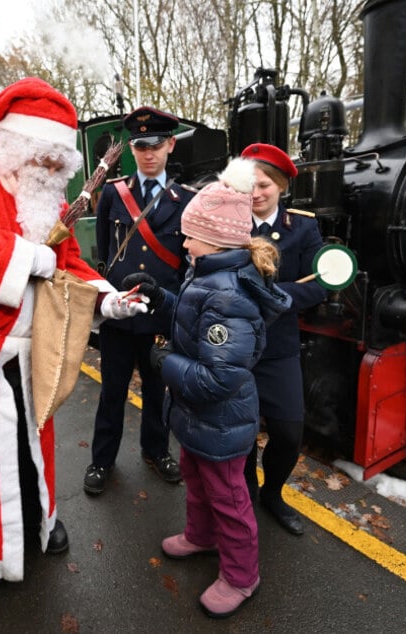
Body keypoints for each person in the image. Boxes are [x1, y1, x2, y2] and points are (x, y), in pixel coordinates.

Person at [0, 78, 148, 607]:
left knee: (30, 448)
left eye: (59, 164)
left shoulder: (43, 199)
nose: (51, 173)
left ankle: (40, 521)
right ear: (13, 144)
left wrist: (108, 299)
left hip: (26, 352)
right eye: (44, 159)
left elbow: (66, 264)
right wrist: (30, 258)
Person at [133, 157, 291, 618]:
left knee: (230, 500)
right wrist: (158, 296)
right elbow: (188, 317)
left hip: (220, 422)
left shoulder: (228, 295)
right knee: (198, 485)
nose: (182, 242)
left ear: (216, 240)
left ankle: (242, 576)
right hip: (197, 419)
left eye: (189, 235)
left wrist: (166, 364)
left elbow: (220, 376)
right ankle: (201, 538)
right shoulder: (206, 276)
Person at [85, 107, 196, 495]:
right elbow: (104, 253)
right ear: (132, 148)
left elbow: (187, 263)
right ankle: (102, 460)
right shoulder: (114, 194)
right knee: (112, 391)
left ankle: (156, 451)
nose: (148, 153)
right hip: (120, 313)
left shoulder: (187, 200)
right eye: (139, 145)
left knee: (157, 390)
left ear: (170, 145)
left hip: (161, 314)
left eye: (155, 145)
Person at [240, 143, 328, 536]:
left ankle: (272, 494)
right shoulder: (230, 222)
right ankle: (245, 491)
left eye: (265, 185)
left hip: (278, 348)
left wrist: (278, 295)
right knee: (240, 431)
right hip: (237, 345)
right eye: (250, 185)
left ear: (281, 188)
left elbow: (322, 283)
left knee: (289, 431)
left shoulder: (303, 227)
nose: (256, 194)